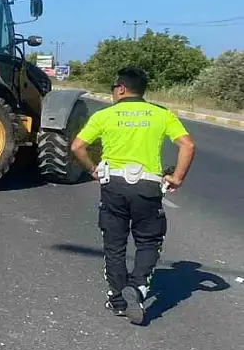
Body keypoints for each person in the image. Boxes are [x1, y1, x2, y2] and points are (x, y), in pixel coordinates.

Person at [70, 66, 196, 325]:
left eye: (113, 89)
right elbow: (187, 145)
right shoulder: (161, 115)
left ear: (121, 88)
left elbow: (77, 146)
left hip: (113, 186)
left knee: (114, 244)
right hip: (148, 187)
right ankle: (138, 288)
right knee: (148, 241)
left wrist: (93, 169)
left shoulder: (105, 115)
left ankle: (117, 299)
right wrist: (177, 177)